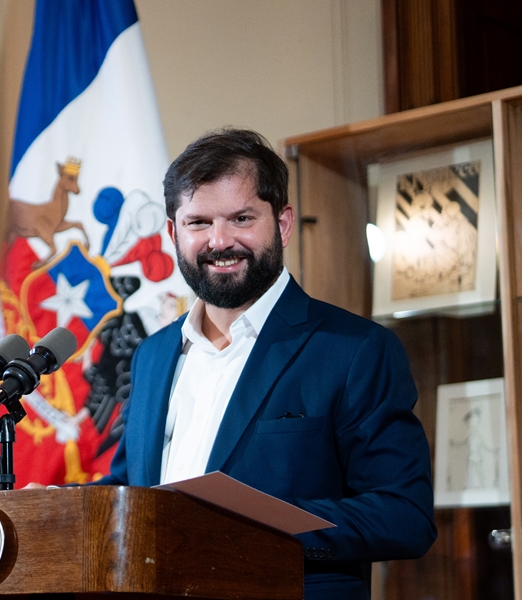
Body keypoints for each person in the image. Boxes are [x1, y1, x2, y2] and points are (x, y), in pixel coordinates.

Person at [88, 128, 436, 599]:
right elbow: (132, 488)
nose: (220, 240)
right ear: (172, 233)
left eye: (241, 218)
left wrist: (253, 523)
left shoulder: (355, 350)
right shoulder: (152, 355)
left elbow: (404, 516)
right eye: (198, 223)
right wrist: (59, 506)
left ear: (283, 224)